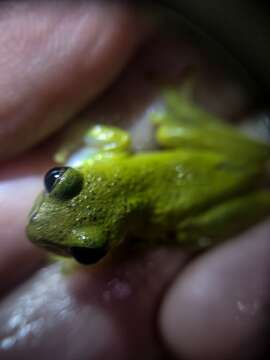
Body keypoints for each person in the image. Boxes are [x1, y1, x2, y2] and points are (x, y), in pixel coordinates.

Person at [0, 2, 269, 359]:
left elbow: (115, 149)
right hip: (214, 162)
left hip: (205, 197)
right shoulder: (103, 167)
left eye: (87, 248)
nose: (38, 220)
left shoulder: (119, 214)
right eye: (58, 180)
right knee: (171, 128)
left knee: (188, 227)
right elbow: (115, 139)